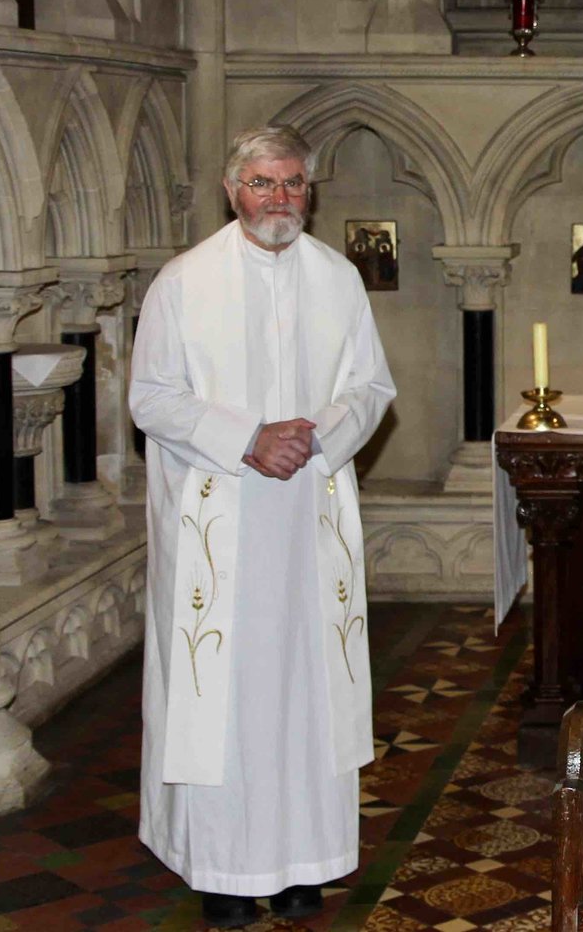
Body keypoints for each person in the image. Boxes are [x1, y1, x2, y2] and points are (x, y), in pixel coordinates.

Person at [131, 125, 396, 928]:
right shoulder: (184, 282)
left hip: (308, 517)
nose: (277, 199)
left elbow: (373, 387)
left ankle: (300, 862)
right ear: (231, 189)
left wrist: (314, 436)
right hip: (220, 520)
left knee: (305, 691)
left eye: (291, 185)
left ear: (309, 193)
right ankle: (220, 868)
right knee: (222, 694)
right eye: (261, 184)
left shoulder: (337, 277)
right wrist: (249, 437)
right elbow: (151, 397)